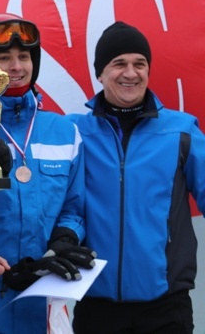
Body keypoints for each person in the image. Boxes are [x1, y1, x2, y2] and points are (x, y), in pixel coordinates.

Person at [0, 13, 95, 333]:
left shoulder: (63, 131)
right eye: (4, 57)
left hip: (42, 311)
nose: (16, 66)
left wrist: (64, 241)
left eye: (24, 56)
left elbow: (74, 207)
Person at [68, 21, 205, 334]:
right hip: (96, 306)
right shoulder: (75, 132)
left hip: (166, 306)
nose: (131, 73)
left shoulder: (181, 131)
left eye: (139, 64)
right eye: (119, 64)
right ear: (99, 73)